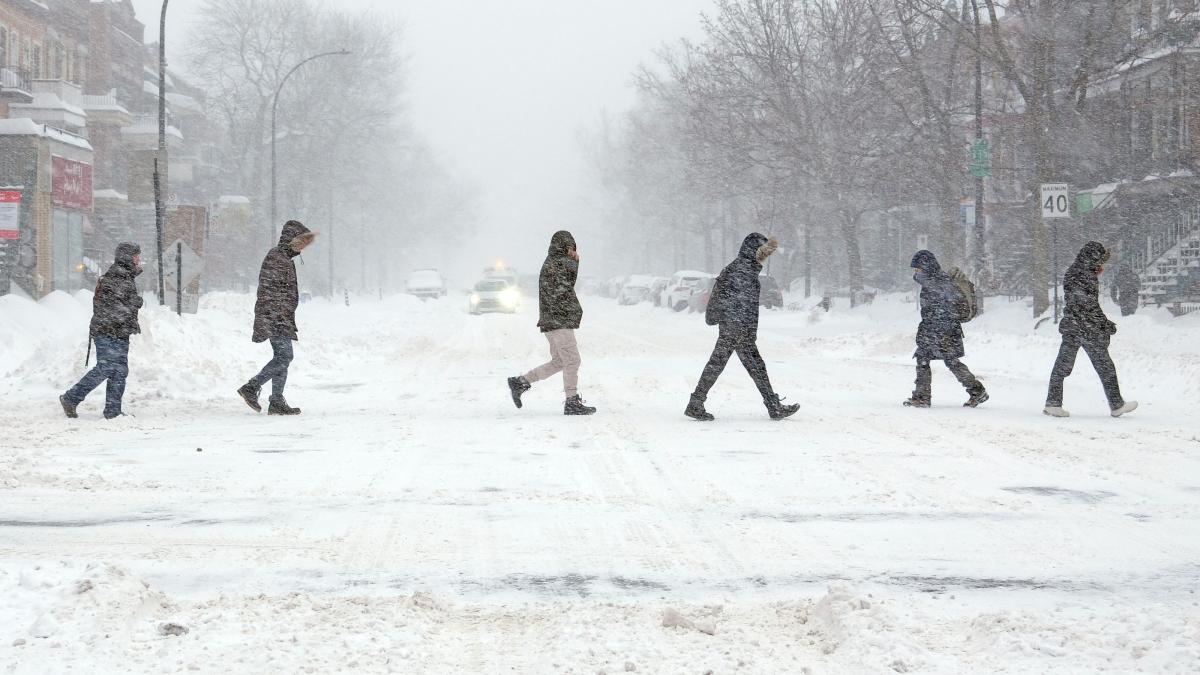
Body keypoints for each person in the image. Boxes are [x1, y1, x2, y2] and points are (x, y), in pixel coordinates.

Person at [685, 233, 799, 421]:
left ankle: (696, 403)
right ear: (753, 251)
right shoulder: (742, 270)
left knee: (729, 365)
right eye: (762, 252)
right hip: (737, 328)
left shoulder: (743, 267)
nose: (764, 257)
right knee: (741, 366)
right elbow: (740, 303)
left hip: (735, 327)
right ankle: (773, 406)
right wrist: (743, 330)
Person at [507, 230, 597, 415]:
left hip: (553, 321)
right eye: (569, 246)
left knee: (559, 362)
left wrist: (573, 262)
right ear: (563, 246)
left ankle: (521, 382)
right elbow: (564, 290)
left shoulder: (554, 262)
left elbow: (567, 284)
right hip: (559, 321)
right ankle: (572, 402)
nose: (572, 249)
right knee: (572, 361)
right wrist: (573, 262)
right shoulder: (556, 264)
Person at [1044, 241, 1137, 418]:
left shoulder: (1076, 271)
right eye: (1100, 261)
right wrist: (1103, 323)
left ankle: (1053, 403)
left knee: (1063, 366)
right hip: (1085, 328)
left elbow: (1080, 303)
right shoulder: (1084, 275)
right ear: (1093, 259)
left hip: (1074, 326)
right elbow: (1088, 305)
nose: (1102, 266)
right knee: (1105, 366)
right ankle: (1116, 404)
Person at [237, 220, 315, 415]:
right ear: (290, 240)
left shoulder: (283, 258)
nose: (302, 247)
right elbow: (271, 291)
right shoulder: (277, 257)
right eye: (300, 242)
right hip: (274, 317)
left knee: (282, 357)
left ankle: (277, 400)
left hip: (279, 316)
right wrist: (280, 314)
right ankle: (252, 387)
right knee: (285, 356)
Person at [59, 242, 144, 420]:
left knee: (119, 370)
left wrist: (131, 308)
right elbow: (112, 308)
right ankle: (71, 398)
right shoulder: (116, 277)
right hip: (107, 331)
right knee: (106, 367)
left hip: (118, 332)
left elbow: (119, 305)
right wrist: (134, 303)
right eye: (136, 255)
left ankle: (113, 411)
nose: (139, 259)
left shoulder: (124, 276)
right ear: (127, 257)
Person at [903, 250, 988, 408]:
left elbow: (947, 308)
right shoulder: (934, 281)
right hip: (941, 331)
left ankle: (922, 397)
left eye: (918, 269)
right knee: (947, 361)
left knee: (929, 360)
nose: (916, 272)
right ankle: (976, 390)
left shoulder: (937, 283)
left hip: (942, 332)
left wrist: (937, 328)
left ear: (926, 267)